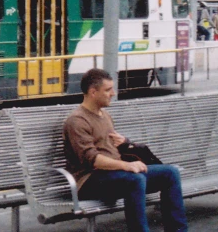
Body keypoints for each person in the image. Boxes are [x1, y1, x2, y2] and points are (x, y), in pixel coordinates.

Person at [64, 69, 188, 232]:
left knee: (170, 173)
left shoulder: (105, 115)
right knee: (134, 179)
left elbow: (109, 148)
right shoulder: (77, 121)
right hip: (89, 180)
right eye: (108, 90)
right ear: (93, 92)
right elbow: (92, 159)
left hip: (113, 175)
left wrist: (125, 144)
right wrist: (127, 166)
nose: (113, 94)